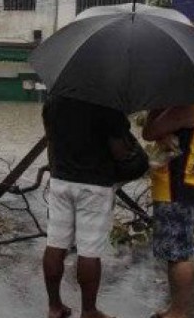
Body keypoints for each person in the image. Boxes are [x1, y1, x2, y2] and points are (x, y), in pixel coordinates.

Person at [41, 95, 130, 318]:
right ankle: (89, 311)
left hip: (60, 180)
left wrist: (56, 174)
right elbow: (120, 152)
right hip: (94, 185)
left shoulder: (53, 101)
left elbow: (51, 141)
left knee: (55, 243)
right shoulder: (108, 103)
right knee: (89, 251)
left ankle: (54, 307)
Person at [143, 103, 194, 318]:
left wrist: (154, 104)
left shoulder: (187, 106)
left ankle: (179, 312)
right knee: (179, 251)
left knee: (180, 253)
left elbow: (149, 132)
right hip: (188, 185)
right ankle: (176, 308)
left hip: (178, 187)